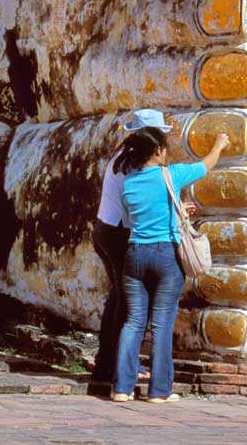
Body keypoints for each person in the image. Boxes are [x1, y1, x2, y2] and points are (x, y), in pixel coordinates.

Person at [110, 127, 230, 403]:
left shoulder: (127, 183)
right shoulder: (171, 174)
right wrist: (219, 144)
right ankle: (159, 391)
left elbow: (132, 220)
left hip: (135, 254)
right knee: (161, 325)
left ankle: (121, 388)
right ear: (158, 151)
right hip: (165, 255)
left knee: (133, 322)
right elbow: (206, 165)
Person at [92, 109, 173, 383]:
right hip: (119, 233)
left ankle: (107, 363)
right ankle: (122, 366)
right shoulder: (134, 166)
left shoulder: (121, 157)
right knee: (130, 304)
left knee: (119, 298)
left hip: (106, 228)